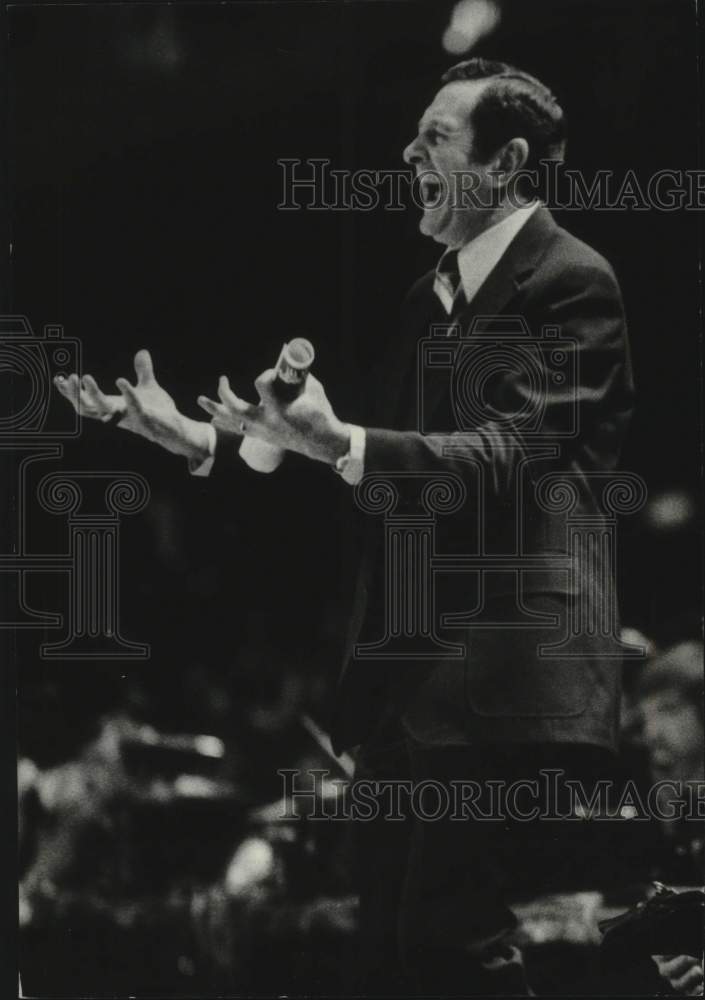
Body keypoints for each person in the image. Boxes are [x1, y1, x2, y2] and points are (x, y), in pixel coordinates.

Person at [56, 58, 635, 994]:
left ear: (506, 161)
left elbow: (507, 457)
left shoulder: (572, 282)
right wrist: (202, 439)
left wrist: (343, 439)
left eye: (434, 137)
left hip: (503, 681)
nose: (406, 152)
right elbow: (368, 464)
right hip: (408, 684)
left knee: (445, 942)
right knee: (385, 954)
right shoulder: (426, 300)